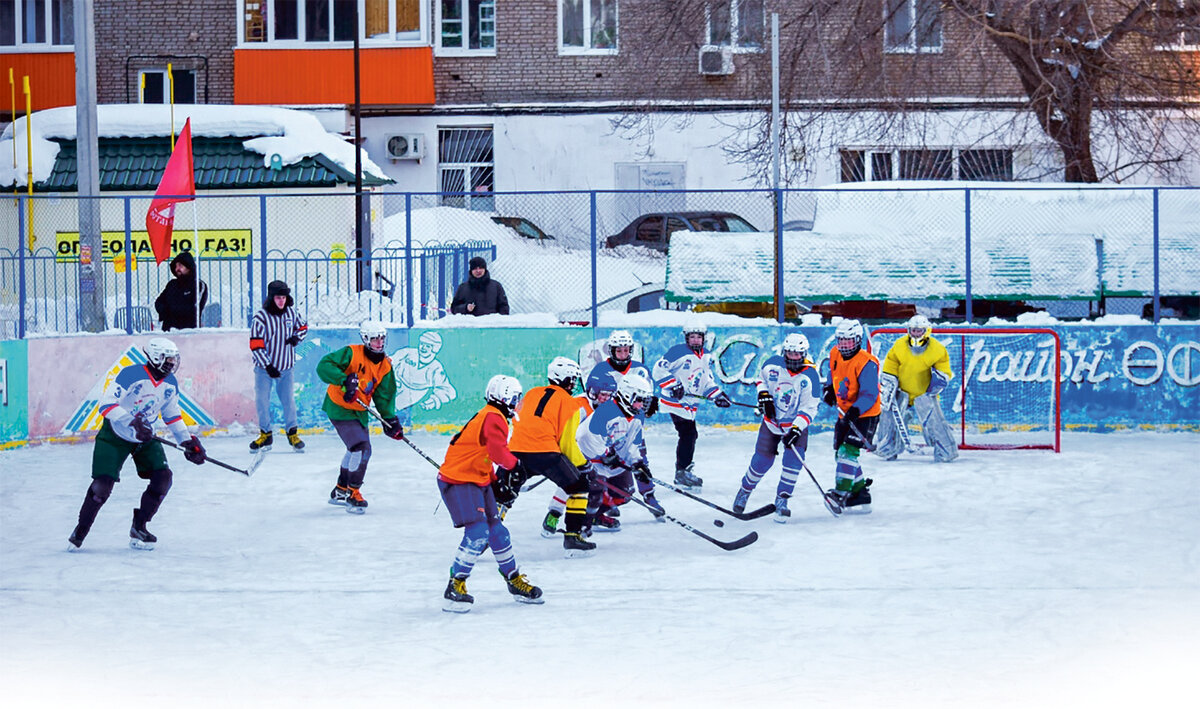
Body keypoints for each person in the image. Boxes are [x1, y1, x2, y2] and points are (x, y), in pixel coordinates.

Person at [67, 338, 206, 551]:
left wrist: (186, 440)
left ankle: (139, 526)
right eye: (167, 359)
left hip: (144, 437)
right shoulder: (131, 374)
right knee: (102, 486)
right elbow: (105, 405)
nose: (171, 364)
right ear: (154, 357)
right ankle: (81, 530)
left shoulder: (170, 383)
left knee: (163, 478)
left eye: (173, 360)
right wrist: (131, 421)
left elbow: (172, 415)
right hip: (115, 435)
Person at [438, 375, 543, 612]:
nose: (518, 403)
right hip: (460, 480)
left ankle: (513, 579)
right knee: (478, 531)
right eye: (515, 398)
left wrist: (495, 480)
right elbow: (498, 453)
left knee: (498, 532)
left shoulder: (491, 414)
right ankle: (456, 584)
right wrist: (515, 467)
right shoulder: (494, 418)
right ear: (503, 397)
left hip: (477, 478)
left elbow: (485, 454)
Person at [502, 356, 597, 557]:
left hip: (516, 450)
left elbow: (517, 420)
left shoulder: (531, 393)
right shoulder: (570, 404)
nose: (573, 384)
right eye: (571, 379)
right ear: (562, 379)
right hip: (547, 454)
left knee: (502, 491)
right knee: (579, 486)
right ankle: (572, 537)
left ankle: (485, 534)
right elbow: (567, 443)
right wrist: (583, 465)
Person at [316, 320, 404, 514]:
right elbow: (324, 366)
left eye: (382, 339)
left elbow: (385, 395)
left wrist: (390, 420)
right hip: (339, 407)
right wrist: (344, 379)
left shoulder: (385, 367)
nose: (379, 343)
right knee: (362, 448)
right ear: (365, 339)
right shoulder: (351, 353)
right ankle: (353, 492)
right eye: (375, 339)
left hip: (359, 410)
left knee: (354, 448)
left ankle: (340, 490)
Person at [733, 333, 822, 523]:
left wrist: (797, 429)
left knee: (792, 464)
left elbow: (810, 407)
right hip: (771, 423)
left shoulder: (810, 375)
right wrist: (763, 395)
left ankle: (782, 500)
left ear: (804, 354)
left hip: (795, 427)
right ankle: (745, 491)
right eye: (790, 353)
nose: (793, 357)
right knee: (761, 462)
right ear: (784, 352)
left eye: (798, 354)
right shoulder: (772, 364)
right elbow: (760, 380)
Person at [652, 318, 731, 492]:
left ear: (704, 338)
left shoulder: (706, 355)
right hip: (675, 402)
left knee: (690, 435)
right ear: (686, 338)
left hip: (689, 404)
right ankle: (682, 472)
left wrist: (717, 395)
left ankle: (683, 470)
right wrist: (674, 385)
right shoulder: (678, 352)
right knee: (689, 434)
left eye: (698, 337)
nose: (695, 340)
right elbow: (658, 369)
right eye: (692, 336)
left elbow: (705, 381)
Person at [575, 373, 661, 535]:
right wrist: (604, 453)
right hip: (588, 460)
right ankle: (580, 524)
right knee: (595, 492)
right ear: (627, 395)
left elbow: (631, 445)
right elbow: (583, 437)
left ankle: (595, 516)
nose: (641, 405)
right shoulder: (607, 412)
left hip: (609, 459)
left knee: (625, 492)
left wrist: (637, 464)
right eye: (639, 399)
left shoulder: (636, 416)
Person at [875, 315, 959, 462]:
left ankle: (946, 451)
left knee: (936, 422)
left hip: (925, 393)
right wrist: (889, 383)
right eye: (913, 330)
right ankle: (887, 449)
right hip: (901, 392)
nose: (915, 334)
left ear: (926, 331)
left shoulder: (937, 349)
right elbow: (890, 364)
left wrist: (939, 381)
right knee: (888, 417)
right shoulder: (899, 345)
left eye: (919, 331)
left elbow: (944, 369)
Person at [822, 319, 882, 514]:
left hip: (865, 414)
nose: (843, 345)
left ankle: (841, 494)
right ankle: (860, 493)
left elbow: (870, 394)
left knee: (848, 453)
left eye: (848, 341)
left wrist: (855, 411)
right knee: (840, 453)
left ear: (857, 340)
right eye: (840, 340)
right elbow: (833, 374)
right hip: (845, 412)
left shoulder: (867, 363)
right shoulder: (834, 353)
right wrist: (829, 389)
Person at [248, 280, 308, 453]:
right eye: (278, 297)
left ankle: (292, 433)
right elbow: (255, 344)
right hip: (264, 369)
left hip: (286, 367)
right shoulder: (261, 317)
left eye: (284, 297)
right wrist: (267, 365)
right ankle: (266, 434)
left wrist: (297, 337)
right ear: (271, 298)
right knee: (262, 401)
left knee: (288, 401)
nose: (281, 301)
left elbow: (303, 327)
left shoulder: (291, 312)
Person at [154, 251, 209, 331]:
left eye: (180, 265)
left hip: (189, 332)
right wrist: (168, 312)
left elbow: (194, 309)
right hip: (169, 331)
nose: (177, 269)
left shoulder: (199, 285)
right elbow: (159, 303)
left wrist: (171, 310)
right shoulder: (172, 285)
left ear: (188, 267)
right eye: (175, 266)